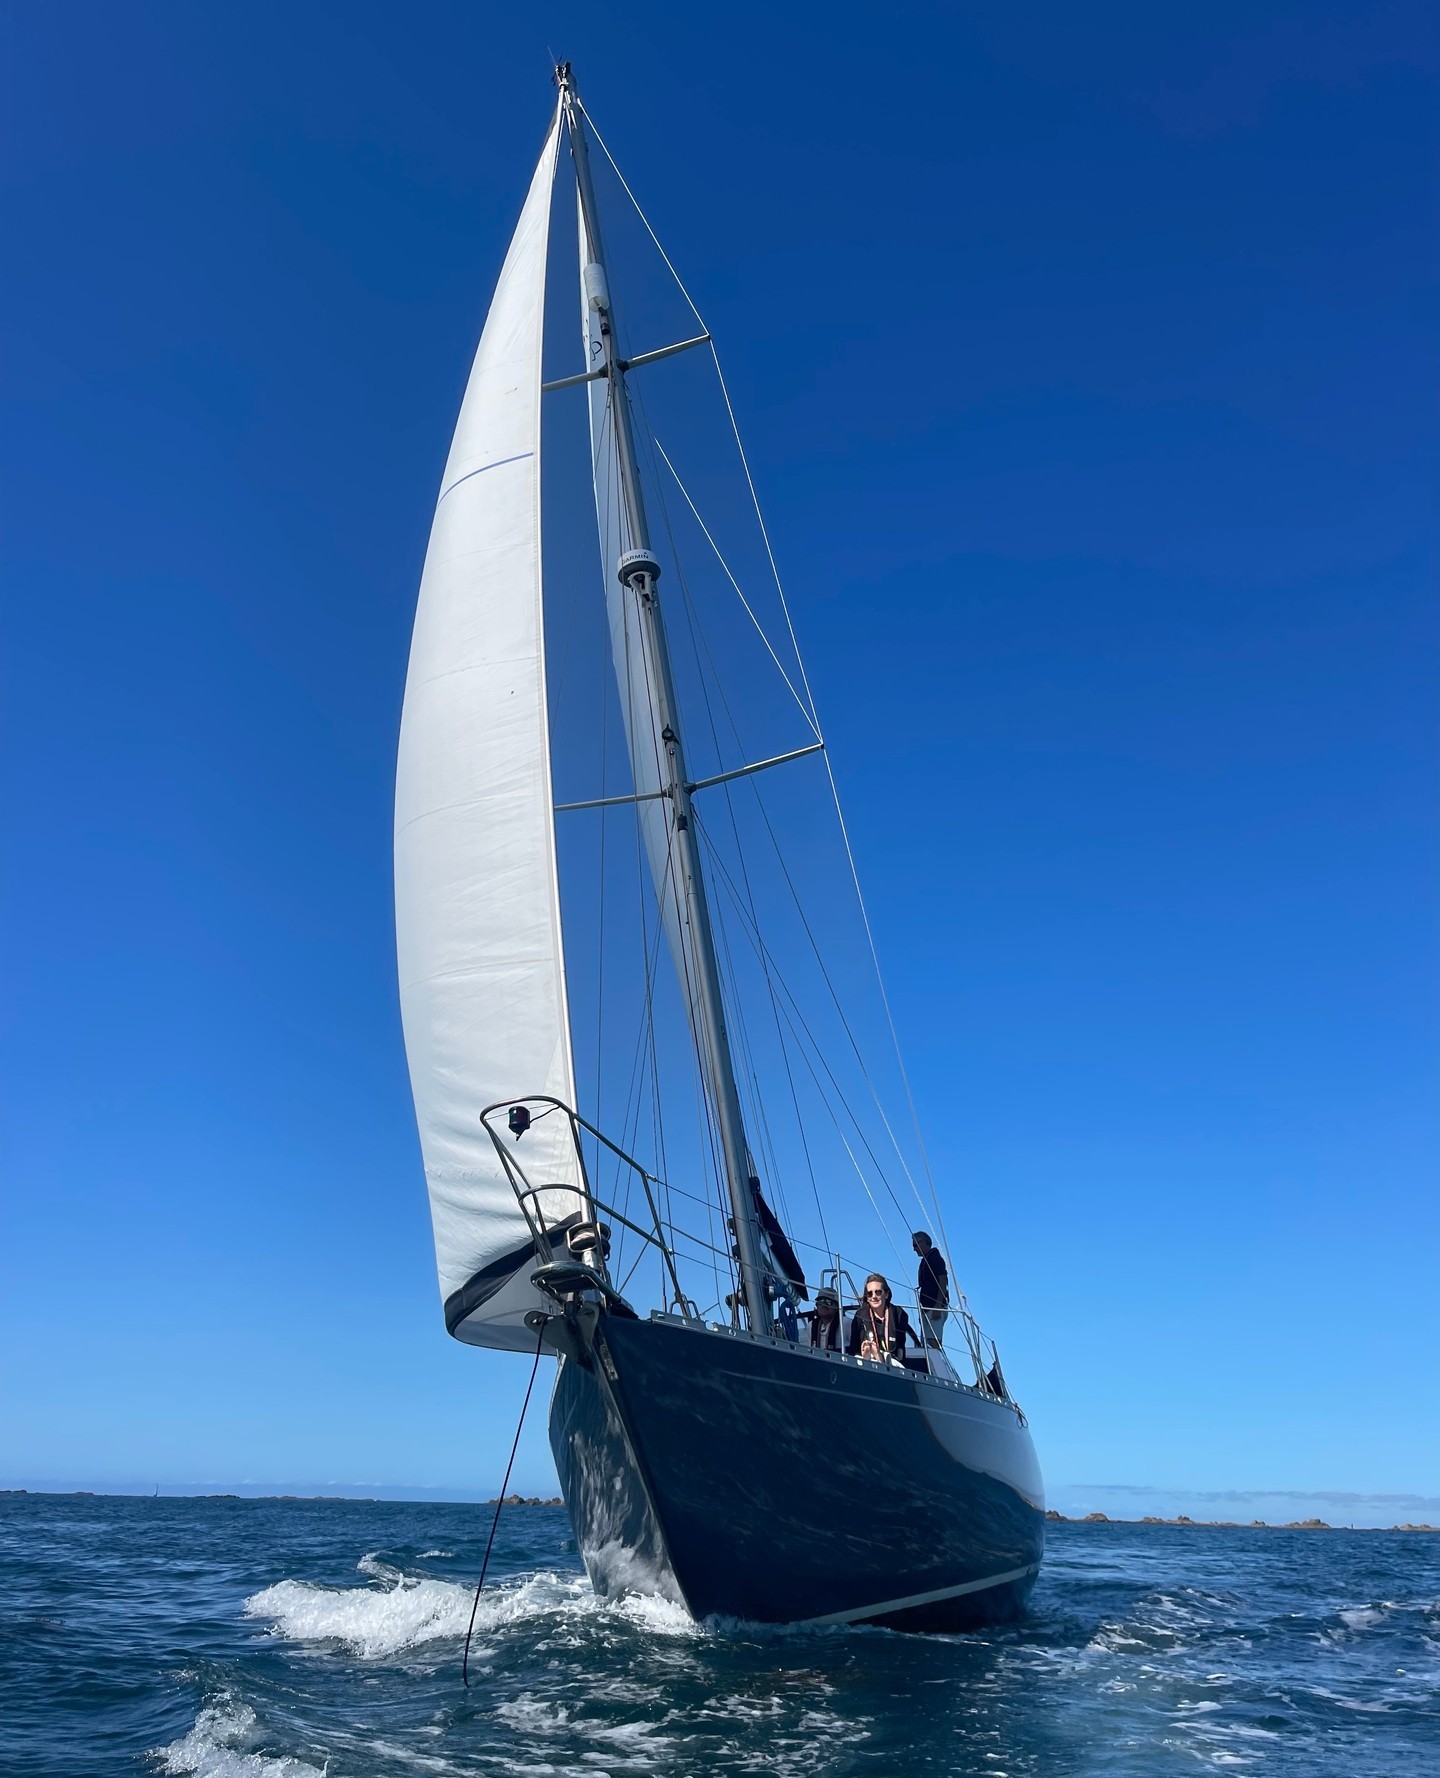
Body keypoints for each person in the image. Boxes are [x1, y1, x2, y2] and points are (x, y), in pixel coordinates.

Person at [846, 1274, 916, 1364]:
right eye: (869, 1294)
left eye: (878, 1292)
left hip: (892, 1362)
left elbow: (900, 1350)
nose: (874, 1297)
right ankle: (873, 1356)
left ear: (886, 1294)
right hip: (866, 1362)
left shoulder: (899, 1314)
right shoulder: (860, 1315)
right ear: (867, 1298)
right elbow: (854, 1349)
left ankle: (879, 1357)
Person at [912, 1231, 950, 1347]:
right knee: (925, 1343)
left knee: (933, 1342)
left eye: (915, 1245)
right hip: (927, 1308)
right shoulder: (925, 1261)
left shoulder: (935, 1258)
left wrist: (938, 1305)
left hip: (935, 1306)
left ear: (924, 1242)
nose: (914, 1249)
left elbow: (943, 1280)